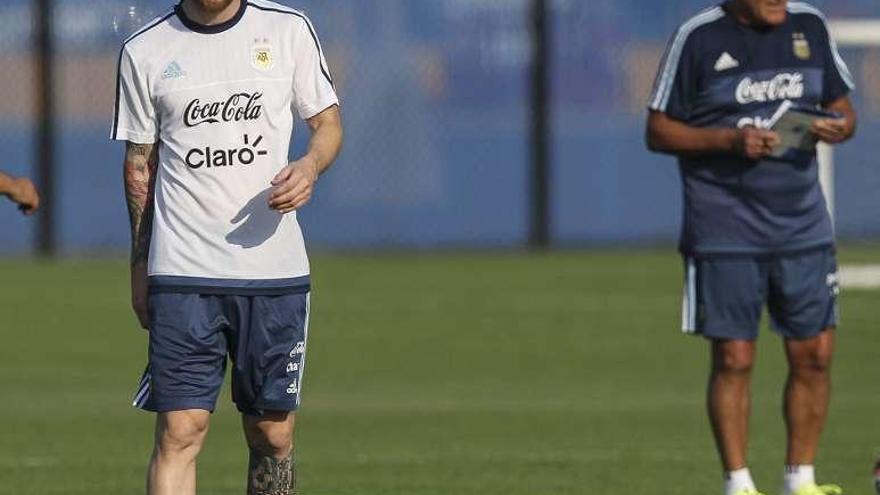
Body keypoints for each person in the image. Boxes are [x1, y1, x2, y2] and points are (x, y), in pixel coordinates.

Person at [111, 0, 342, 493]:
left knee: (272, 433)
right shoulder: (145, 49)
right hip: (182, 272)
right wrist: (139, 265)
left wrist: (309, 167)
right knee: (179, 431)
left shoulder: (287, 29)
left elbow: (328, 125)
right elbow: (139, 166)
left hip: (273, 273)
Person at [645, 1, 856, 495]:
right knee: (735, 357)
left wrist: (838, 125)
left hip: (802, 224)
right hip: (725, 227)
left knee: (815, 354)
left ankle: (800, 481)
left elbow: (845, 108)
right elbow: (657, 130)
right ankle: (737, 484)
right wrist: (727, 140)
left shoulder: (810, 25)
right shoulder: (697, 36)